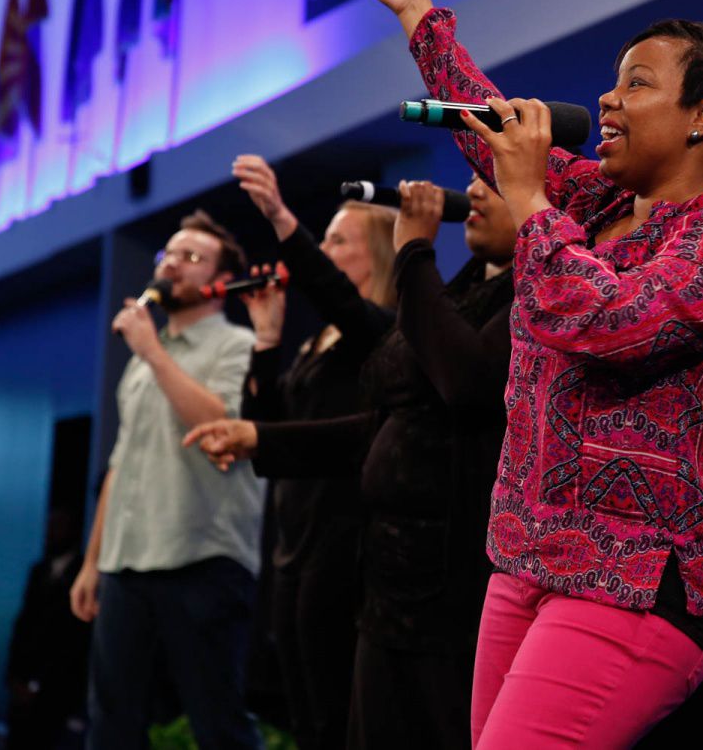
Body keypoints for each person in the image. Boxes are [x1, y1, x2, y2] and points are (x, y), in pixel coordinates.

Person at [334, 0, 703, 748]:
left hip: (638, 576)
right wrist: (418, 14)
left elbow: (607, 327)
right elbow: (490, 133)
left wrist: (533, 202)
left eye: (637, 84)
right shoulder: (597, 205)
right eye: (613, 82)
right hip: (527, 561)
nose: (608, 99)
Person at [186, 175, 518, 749]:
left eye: (493, 179)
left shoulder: (494, 298)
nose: (473, 191)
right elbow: (383, 428)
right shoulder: (460, 289)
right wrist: (259, 434)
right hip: (374, 571)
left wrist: (410, 248)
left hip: (433, 575)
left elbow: (462, 382)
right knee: (328, 720)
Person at [68, 210, 262, 750]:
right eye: (168, 254)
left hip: (202, 555)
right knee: (110, 722)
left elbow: (222, 427)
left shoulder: (238, 345)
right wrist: (92, 561)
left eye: (192, 257)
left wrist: (151, 351)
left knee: (218, 722)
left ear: (220, 282)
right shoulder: (141, 362)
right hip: (126, 559)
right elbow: (122, 463)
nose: (173, 264)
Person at [232, 153, 397, 750]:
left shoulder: (381, 331)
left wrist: (281, 218)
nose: (323, 251)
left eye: (337, 240)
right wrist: (267, 340)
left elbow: (337, 298)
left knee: (332, 714)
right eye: (321, 239)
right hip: (293, 542)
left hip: (342, 541)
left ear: (377, 253)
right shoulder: (318, 342)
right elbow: (268, 434)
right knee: (301, 713)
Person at [5, 509, 91, 749]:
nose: (50, 532)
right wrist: (14, 675)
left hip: (61, 685)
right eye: (49, 526)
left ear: (74, 531)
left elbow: (75, 638)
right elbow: (24, 624)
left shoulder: (84, 574)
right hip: (25, 675)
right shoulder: (39, 570)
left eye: (58, 526)